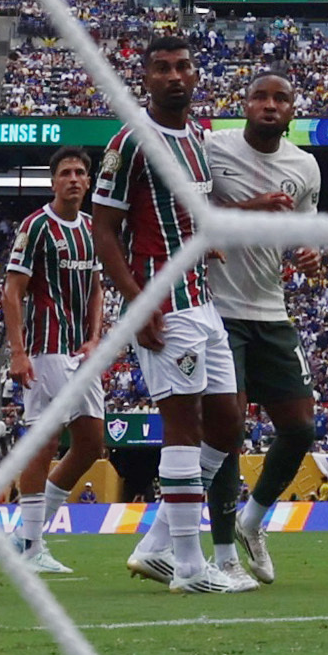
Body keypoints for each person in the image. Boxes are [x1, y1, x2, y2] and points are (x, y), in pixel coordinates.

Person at [88, 34, 252, 596]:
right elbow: (103, 232)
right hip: (164, 300)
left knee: (229, 420)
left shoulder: (197, 139)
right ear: (146, 79)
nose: (175, 76)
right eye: (162, 68)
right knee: (182, 425)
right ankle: (188, 566)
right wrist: (139, 302)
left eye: (183, 66)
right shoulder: (131, 143)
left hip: (201, 298)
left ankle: (157, 545)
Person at [203, 73, 326, 586]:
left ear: (292, 111)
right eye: (260, 97)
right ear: (245, 105)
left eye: (280, 99)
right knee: (227, 429)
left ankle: (253, 520)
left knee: (300, 428)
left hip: (271, 312)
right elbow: (188, 216)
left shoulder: (304, 167)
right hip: (217, 309)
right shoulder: (213, 150)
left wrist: (310, 254)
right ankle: (225, 553)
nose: (270, 105)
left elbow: (302, 234)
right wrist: (251, 206)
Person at [2, 146, 110, 574]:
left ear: (88, 181)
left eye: (80, 172)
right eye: (65, 172)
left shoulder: (92, 227)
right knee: (43, 443)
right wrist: (17, 351)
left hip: (80, 352)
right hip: (46, 350)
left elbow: (98, 287)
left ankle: (26, 536)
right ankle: (30, 548)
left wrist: (95, 337)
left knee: (90, 444)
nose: (73, 179)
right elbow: (13, 291)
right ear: (53, 182)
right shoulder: (37, 227)